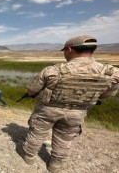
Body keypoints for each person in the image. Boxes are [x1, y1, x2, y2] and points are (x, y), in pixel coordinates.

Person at [16, 35, 119, 172]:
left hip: (47, 110)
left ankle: (28, 156)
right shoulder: (111, 73)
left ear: (69, 49)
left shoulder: (53, 70)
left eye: (64, 50)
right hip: (77, 113)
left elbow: (31, 91)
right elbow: (106, 95)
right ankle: (55, 165)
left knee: (37, 133)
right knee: (64, 139)